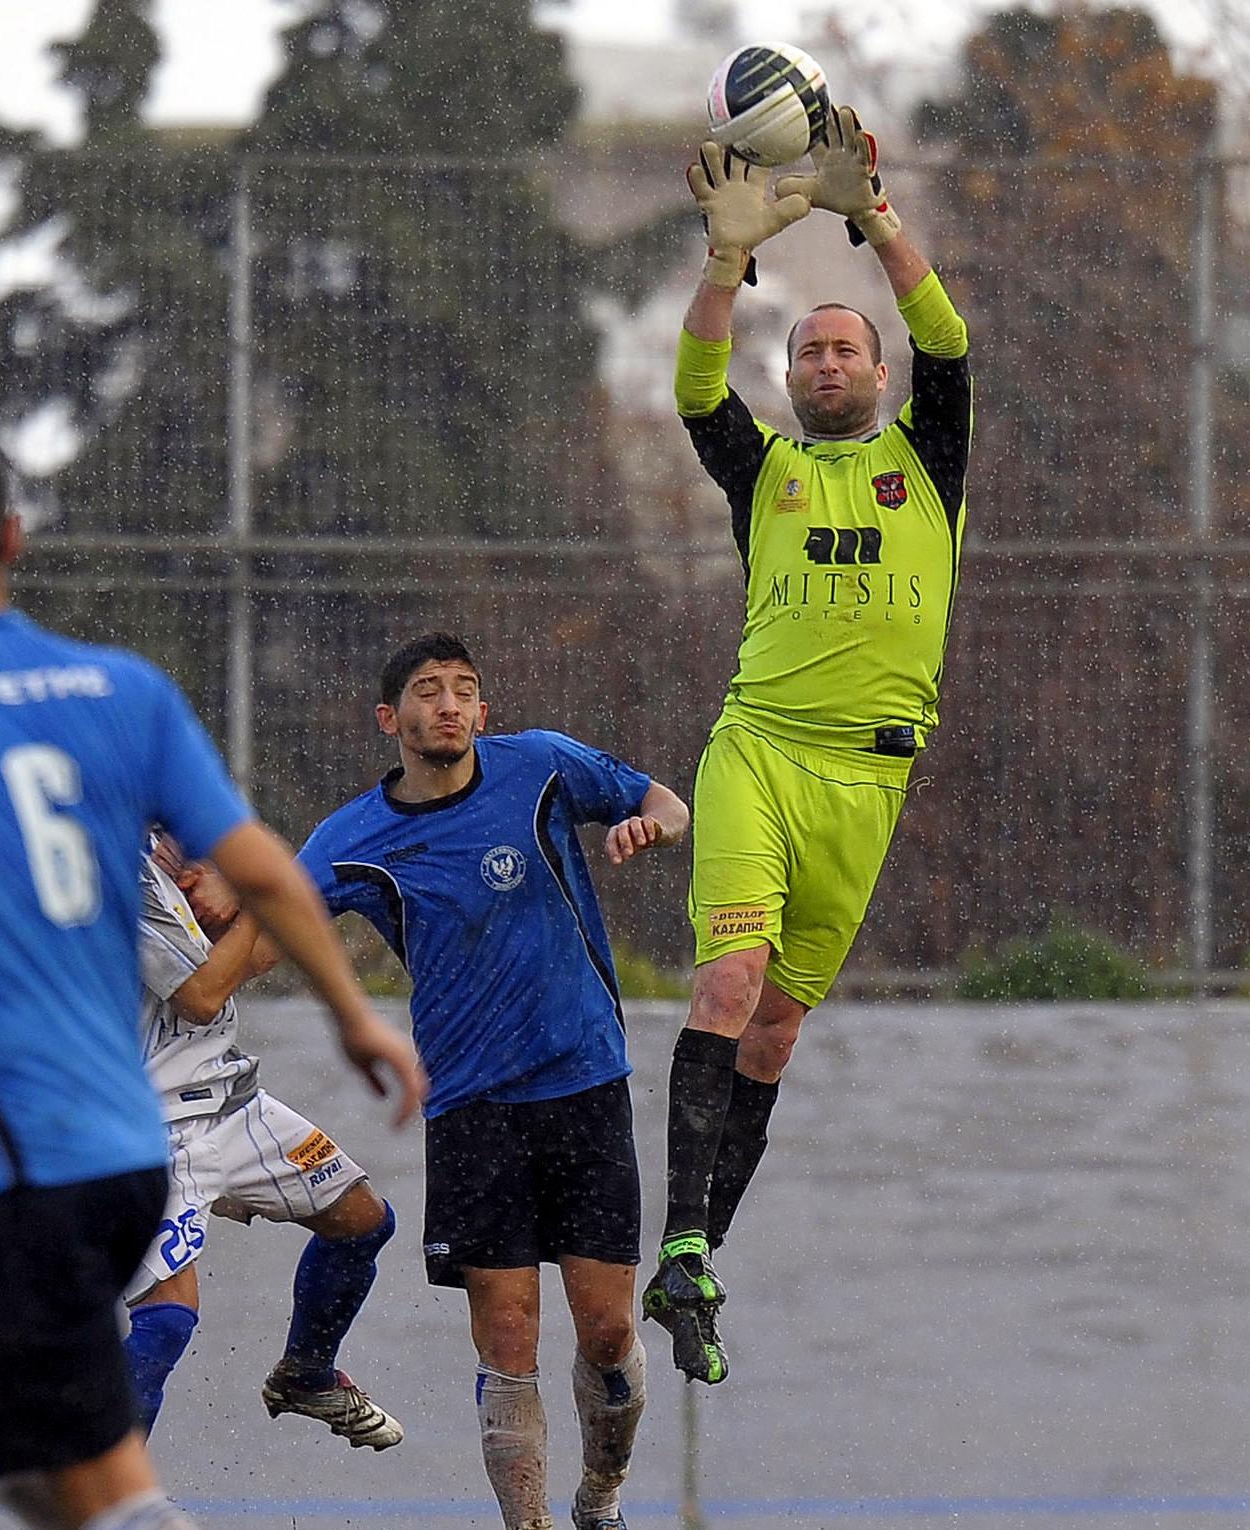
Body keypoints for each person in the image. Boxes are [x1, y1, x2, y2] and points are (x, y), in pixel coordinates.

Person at [0, 422, 426, 1530]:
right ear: (12, 539)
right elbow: (276, 872)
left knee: (5, 1413)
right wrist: (357, 1021)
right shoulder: (120, 694)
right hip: (127, 1147)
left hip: (25, 1147)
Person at [648, 107, 975, 1385]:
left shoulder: (925, 462)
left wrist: (874, 217)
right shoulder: (765, 472)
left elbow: (949, 335)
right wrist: (726, 266)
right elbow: (688, 388)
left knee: (775, 1036)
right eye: (810, 351)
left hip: (871, 779)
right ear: (791, 381)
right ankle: (677, 1231)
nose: (829, 362)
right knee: (724, 993)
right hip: (764, 753)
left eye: (848, 347)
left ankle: (695, 1263)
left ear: (881, 379)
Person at [258, 631, 689, 1530]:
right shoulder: (356, 834)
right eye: (427, 691)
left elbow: (664, 800)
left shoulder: (539, 767)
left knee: (608, 1332)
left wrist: (649, 822)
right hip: (470, 1107)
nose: (447, 705)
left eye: (463, 691)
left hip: (583, 1085)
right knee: (507, 1337)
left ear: (482, 713)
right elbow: (276, 919)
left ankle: (600, 1494)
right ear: (391, 719)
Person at [121, 835, 403, 1451]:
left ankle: (306, 1374)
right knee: (167, 1320)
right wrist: (256, 891)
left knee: (362, 1220)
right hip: (149, 1127)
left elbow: (251, 956)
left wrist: (270, 894)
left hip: (229, 1102)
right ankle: (97, 1498)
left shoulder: (169, 845)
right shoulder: (112, 864)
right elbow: (200, 996)